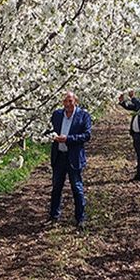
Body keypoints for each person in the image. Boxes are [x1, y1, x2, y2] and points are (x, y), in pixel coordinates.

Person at [48, 91, 92, 230]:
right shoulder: (57, 115)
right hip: (59, 156)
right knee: (56, 187)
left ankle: (80, 218)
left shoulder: (83, 116)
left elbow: (86, 135)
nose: (67, 104)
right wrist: (52, 136)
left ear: (76, 102)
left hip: (73, 156)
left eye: (70, 101)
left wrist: (68, 139)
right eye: (65, 101)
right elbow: (48, 130)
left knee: (77, 188)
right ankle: (54, 215)